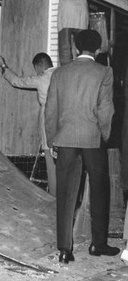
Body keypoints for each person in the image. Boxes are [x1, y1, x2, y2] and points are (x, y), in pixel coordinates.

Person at [45, 29, 117, 264]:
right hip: (92, 139)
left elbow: (51, 111)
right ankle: (98, 243)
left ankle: (65, 249)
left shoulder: (60, 73)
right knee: (100, 190)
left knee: (66, 194)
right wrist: (105, 137)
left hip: (64, 139)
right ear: (97, 50)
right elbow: (106, 110)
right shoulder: (104, 72)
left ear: (75, 48)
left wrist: (52, 140)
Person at [0, 52, 57, 196]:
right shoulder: (62, 74)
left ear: (40, 65)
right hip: (63, 121)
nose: (36, 72)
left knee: (50, 160)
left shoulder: (42, 78)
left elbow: (17, 81)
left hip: (47, 119)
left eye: (36, 68)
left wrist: (4, 65)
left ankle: (54, 198)